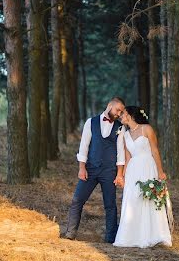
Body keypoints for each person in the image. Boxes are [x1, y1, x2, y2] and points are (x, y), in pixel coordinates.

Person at [64, 97, 126, 243]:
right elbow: (84, 146)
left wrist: (119, 174)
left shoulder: (120, 127)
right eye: (118, 110)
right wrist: (81, 168)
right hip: (90, 169)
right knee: (77, 200)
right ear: (110, 105)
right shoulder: (90, 122)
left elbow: (120, 152)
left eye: (121, 112)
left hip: (109, 172)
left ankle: (111, 238)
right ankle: (70, 233)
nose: (119, 113)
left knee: (110, 205)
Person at [114, 106, 172, 248]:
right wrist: (123, 176)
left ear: (131, 115)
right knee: (133, 198)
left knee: (149, 199)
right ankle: (132, 236)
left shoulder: (147, 129)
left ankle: (154, 235)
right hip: (133, 169)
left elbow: (155, 150)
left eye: (124, 113)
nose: (121, 116)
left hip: (147, 166)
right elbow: (127, 158)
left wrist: (160, 171)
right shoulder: (125, 134)